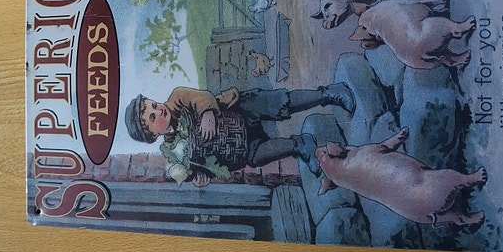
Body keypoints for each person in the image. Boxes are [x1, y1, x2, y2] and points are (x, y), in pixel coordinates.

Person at [125, 83, 355, 187]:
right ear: (153, 136)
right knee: (256, 156)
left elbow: (200, 97)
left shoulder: (176, 98)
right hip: (237, 146)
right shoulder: (174, 153)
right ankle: (301, 145)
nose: (158, 110)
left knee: (279, 103)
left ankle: (329, 93)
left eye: (153, 105)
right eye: (152, 117)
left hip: (238, 110)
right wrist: (201, 177)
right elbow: (199, 166)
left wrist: (207, 113)